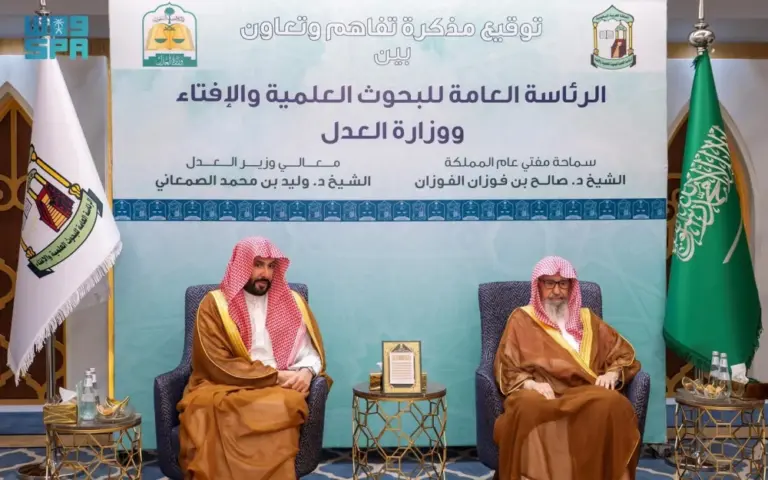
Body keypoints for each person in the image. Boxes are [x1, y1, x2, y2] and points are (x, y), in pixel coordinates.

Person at [178, 237, 332, 480]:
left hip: (280, 387)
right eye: (258, 264)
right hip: (226, 383)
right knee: (207, 408)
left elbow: (310, 352)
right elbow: (216, 362)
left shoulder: (292, 302)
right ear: (241, 265)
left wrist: (306, 372)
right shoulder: (214, 304)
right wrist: (276, 376)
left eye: (271, 266)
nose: (265, 274)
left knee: (285, 404)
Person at [493, 256, 641, 480]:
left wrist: (612, 373)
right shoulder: (521, 319)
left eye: (563, 284)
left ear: (572, 287)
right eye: (550, 283)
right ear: (538, 286)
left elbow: (623, 353)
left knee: (614, 403)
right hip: (542, 393)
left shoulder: (587, 320)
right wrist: (531, 384)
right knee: (527, 407)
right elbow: (507, 365)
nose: (557, 291)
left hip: (585, 391)